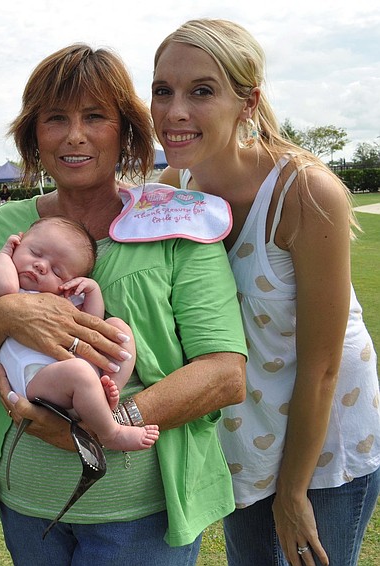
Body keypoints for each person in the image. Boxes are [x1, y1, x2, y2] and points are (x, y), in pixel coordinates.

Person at [0, 44, 247, 565]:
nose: (74, 135)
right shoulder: (8, 229)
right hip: (28, 507)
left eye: (95, 116)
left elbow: (224, 372)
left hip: (140, 517)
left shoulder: (176, 222)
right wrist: (6, 315)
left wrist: (97, 425)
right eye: (56, 118)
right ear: (35, 133)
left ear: (125, 131)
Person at [151, 19, 380, 566]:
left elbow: (323, 366)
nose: (174, 111)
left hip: (323, 449)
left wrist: (295, 491)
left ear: (247, 101)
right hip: (243, 442)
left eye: (201, 91)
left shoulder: (304, 191)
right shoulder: (172, 192)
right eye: (163, 90)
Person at [0, 216, 157, 452]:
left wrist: (91, 291)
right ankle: (111, 433)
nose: (41, 266)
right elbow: (6, 290)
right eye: (35, 252)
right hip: (35, 379)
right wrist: (3, 256)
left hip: (72, 375)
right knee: (79, 371)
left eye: (57, 271)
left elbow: (91, 327)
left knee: (118, 330)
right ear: (17, 243)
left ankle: (106, 389)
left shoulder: (61, 296)